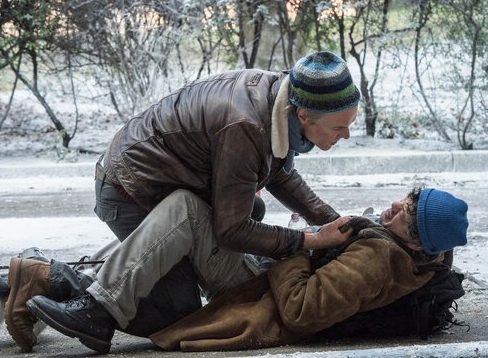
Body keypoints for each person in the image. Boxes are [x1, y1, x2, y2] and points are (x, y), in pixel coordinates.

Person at [10, 186, 467, 353]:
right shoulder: (413, 254)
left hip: (261, 294)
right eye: (408, 197)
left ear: (416, 240)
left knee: (188, 210)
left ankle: (61, 286)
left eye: (407, 211)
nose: (397, 205)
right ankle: (47, 279)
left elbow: (301, 310)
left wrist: (297, 245)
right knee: (235, 209)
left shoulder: (379, 258)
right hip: (265, 277)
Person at [93, 50, 360, 260]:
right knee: (176, 309)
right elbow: (232, 231)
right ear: (303, 115)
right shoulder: (247, 127)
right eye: (339, 127)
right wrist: (312, 239)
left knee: (253, 208)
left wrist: (338, 225)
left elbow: (278, 172)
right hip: (129, 191)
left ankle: (126, 258)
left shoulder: (281, 102)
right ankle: (74, 287)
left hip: (158, 183)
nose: (346, 135)